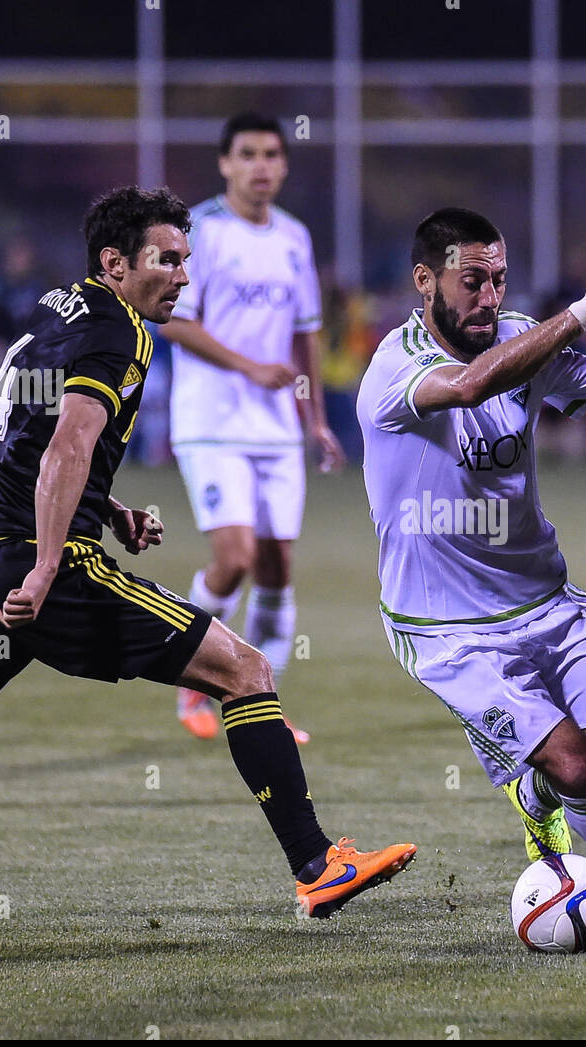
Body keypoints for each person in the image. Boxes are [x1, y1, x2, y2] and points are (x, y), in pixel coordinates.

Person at [0, 186, 415, 921]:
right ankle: (317, 866)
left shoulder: (57, 308)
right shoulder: (119, 332)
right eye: (168, 260)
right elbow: (67, 444)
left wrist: (107, 505)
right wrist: (47, 566)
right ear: (116, 262)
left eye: (186, 260)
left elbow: (21, 423)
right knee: (245, 671)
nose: (183, 277)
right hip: (40, 566)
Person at [356, 207, 586, 948]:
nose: (489, 297)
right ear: (425, 281)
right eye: (472, 281)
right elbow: (468, 387)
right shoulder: (394, 368)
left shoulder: (523, 336)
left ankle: (530, 788)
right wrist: (584, 309)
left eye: (499, 279)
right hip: (447, 629)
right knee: (581, 769)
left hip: (546, 603)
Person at [164, 113, 345, 745]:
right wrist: (249, 367)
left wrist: (315, 421)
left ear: (284, 165)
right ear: (225, 164)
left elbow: (306, 335)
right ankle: (192, 674)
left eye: (270, 154)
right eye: (247, 154)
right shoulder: (200, 232)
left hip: (276, 429)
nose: (260, 166)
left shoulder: (294, 237)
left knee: (276, 566)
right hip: (211, 421)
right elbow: (173, 321)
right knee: (235, 558)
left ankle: (263, 707)